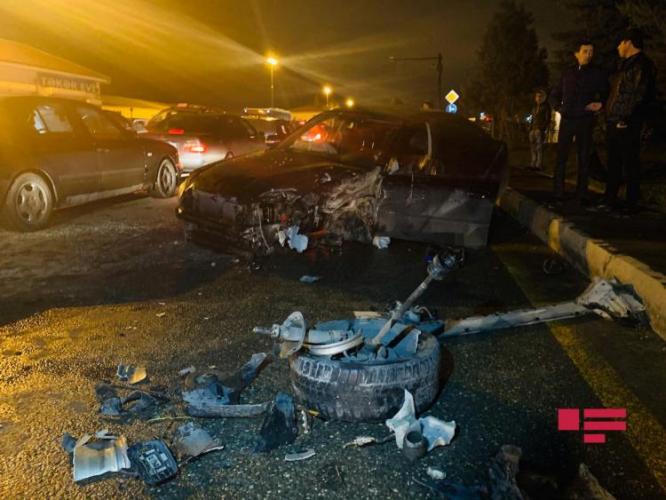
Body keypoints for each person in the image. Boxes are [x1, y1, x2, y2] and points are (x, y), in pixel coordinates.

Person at [602, 29, 656, 213]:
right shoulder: (624, 65)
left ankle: (631, 203)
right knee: (614, 162)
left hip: (627, 121)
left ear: (628, 42)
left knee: (629, 162)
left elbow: (639, 94)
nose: (618, 47)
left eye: (620, 43)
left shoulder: (642, 65)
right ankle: (610, 199)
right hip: (615, 119)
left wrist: (626, 117)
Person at [549, 40, 608, 203]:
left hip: (585, 120)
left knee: (584, 158)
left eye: (591, 52)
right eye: (585, 51)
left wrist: (600, 103)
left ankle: (582, 193)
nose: (588, 55)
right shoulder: (567, 73)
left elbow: (606, 92)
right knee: (561, 157)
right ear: (577, 54)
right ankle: (558, 192)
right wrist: (559, 108)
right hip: (567, 120)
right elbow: (554, 94)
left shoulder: (596, 73)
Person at [528, 89, 551, 170]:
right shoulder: (534, 108)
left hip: (539, 130)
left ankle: (538, 164)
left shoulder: (546, 107)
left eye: (540, 96)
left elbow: (547, 119)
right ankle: (533, 163)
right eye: (537, 96)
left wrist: (542, 128)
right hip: (533, 130)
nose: (538, 98)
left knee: (539, 147)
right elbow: (532, 118)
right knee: (533, 147)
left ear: (543, 98)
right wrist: (530, 128)